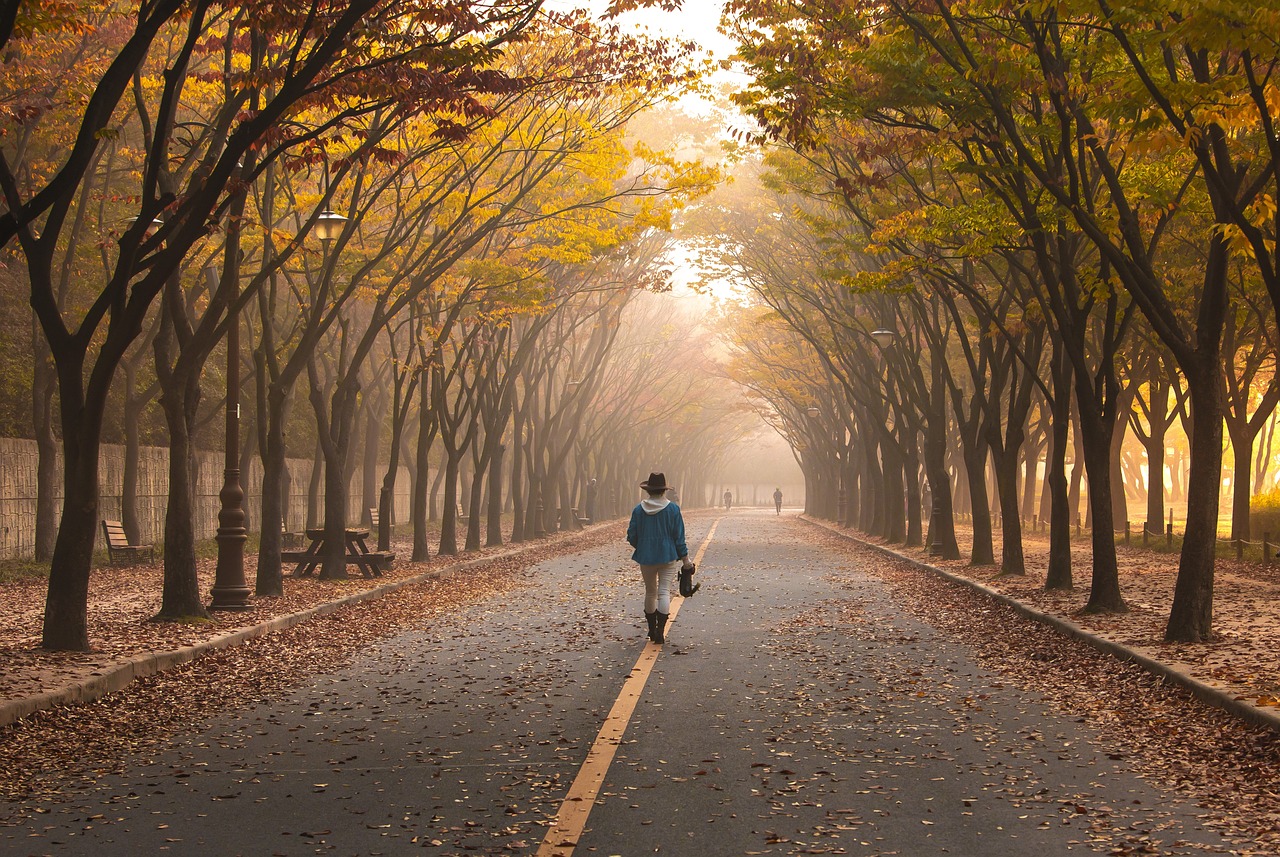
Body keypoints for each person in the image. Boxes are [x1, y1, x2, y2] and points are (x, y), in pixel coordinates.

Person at [627, 472, 693, 644]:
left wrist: (642, 547)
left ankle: (650, 629)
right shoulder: (673, 509)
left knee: (650, 592)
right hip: (668, 556)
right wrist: (685, 560)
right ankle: (660, 632)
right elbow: (679, 537)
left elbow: (631, 535)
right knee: (663, 592)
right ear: (664, 490)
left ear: (648, 490)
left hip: (646, 557)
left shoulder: (638, 510)